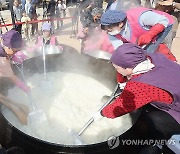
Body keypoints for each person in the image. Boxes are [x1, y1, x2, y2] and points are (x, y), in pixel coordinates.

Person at [99, 43, 180, 151]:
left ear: (127, 68)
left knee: (155, 120)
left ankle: (156, 144)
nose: (115, 69)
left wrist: (102, 113)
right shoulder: (151, 57)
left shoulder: (141, 86)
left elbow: (119, 108)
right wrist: (122, 81)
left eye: (116, 67)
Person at [100, 8, 177, 61]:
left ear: (120, 24)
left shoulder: (140, 17)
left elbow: (164, 21)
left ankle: (171, 66)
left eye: (109, 28)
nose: (108, 31)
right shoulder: (111, 31)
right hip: (145, 30)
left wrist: (150, 34)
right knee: (142, 54)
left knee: (152, 52)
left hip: (166, 24)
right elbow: (119, 49)